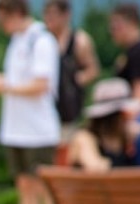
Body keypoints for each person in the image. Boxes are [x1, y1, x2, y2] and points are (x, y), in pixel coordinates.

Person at [0, 0, 62, 204]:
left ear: (16, 13)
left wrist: (4, 86)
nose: (1, 25)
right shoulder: (17, 41)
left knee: (44, 187)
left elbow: (41, 84)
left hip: (39, 130)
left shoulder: (41, 41)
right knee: (24, 185)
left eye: (3, 18)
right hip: (15, 129)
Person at [43, 0, 100, 154]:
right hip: (46, 110)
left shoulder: (79, 41)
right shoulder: (42, 41)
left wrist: (76, 79)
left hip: (70, 111)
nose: (49, 19)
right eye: (47, 14)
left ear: (66, 15)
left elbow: (93, 69)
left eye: (54, 14)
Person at [67, 78, 137, 171]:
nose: (130, 117)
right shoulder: (84, 138)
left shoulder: (127, 136)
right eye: (125, 113)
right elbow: (94, 167)